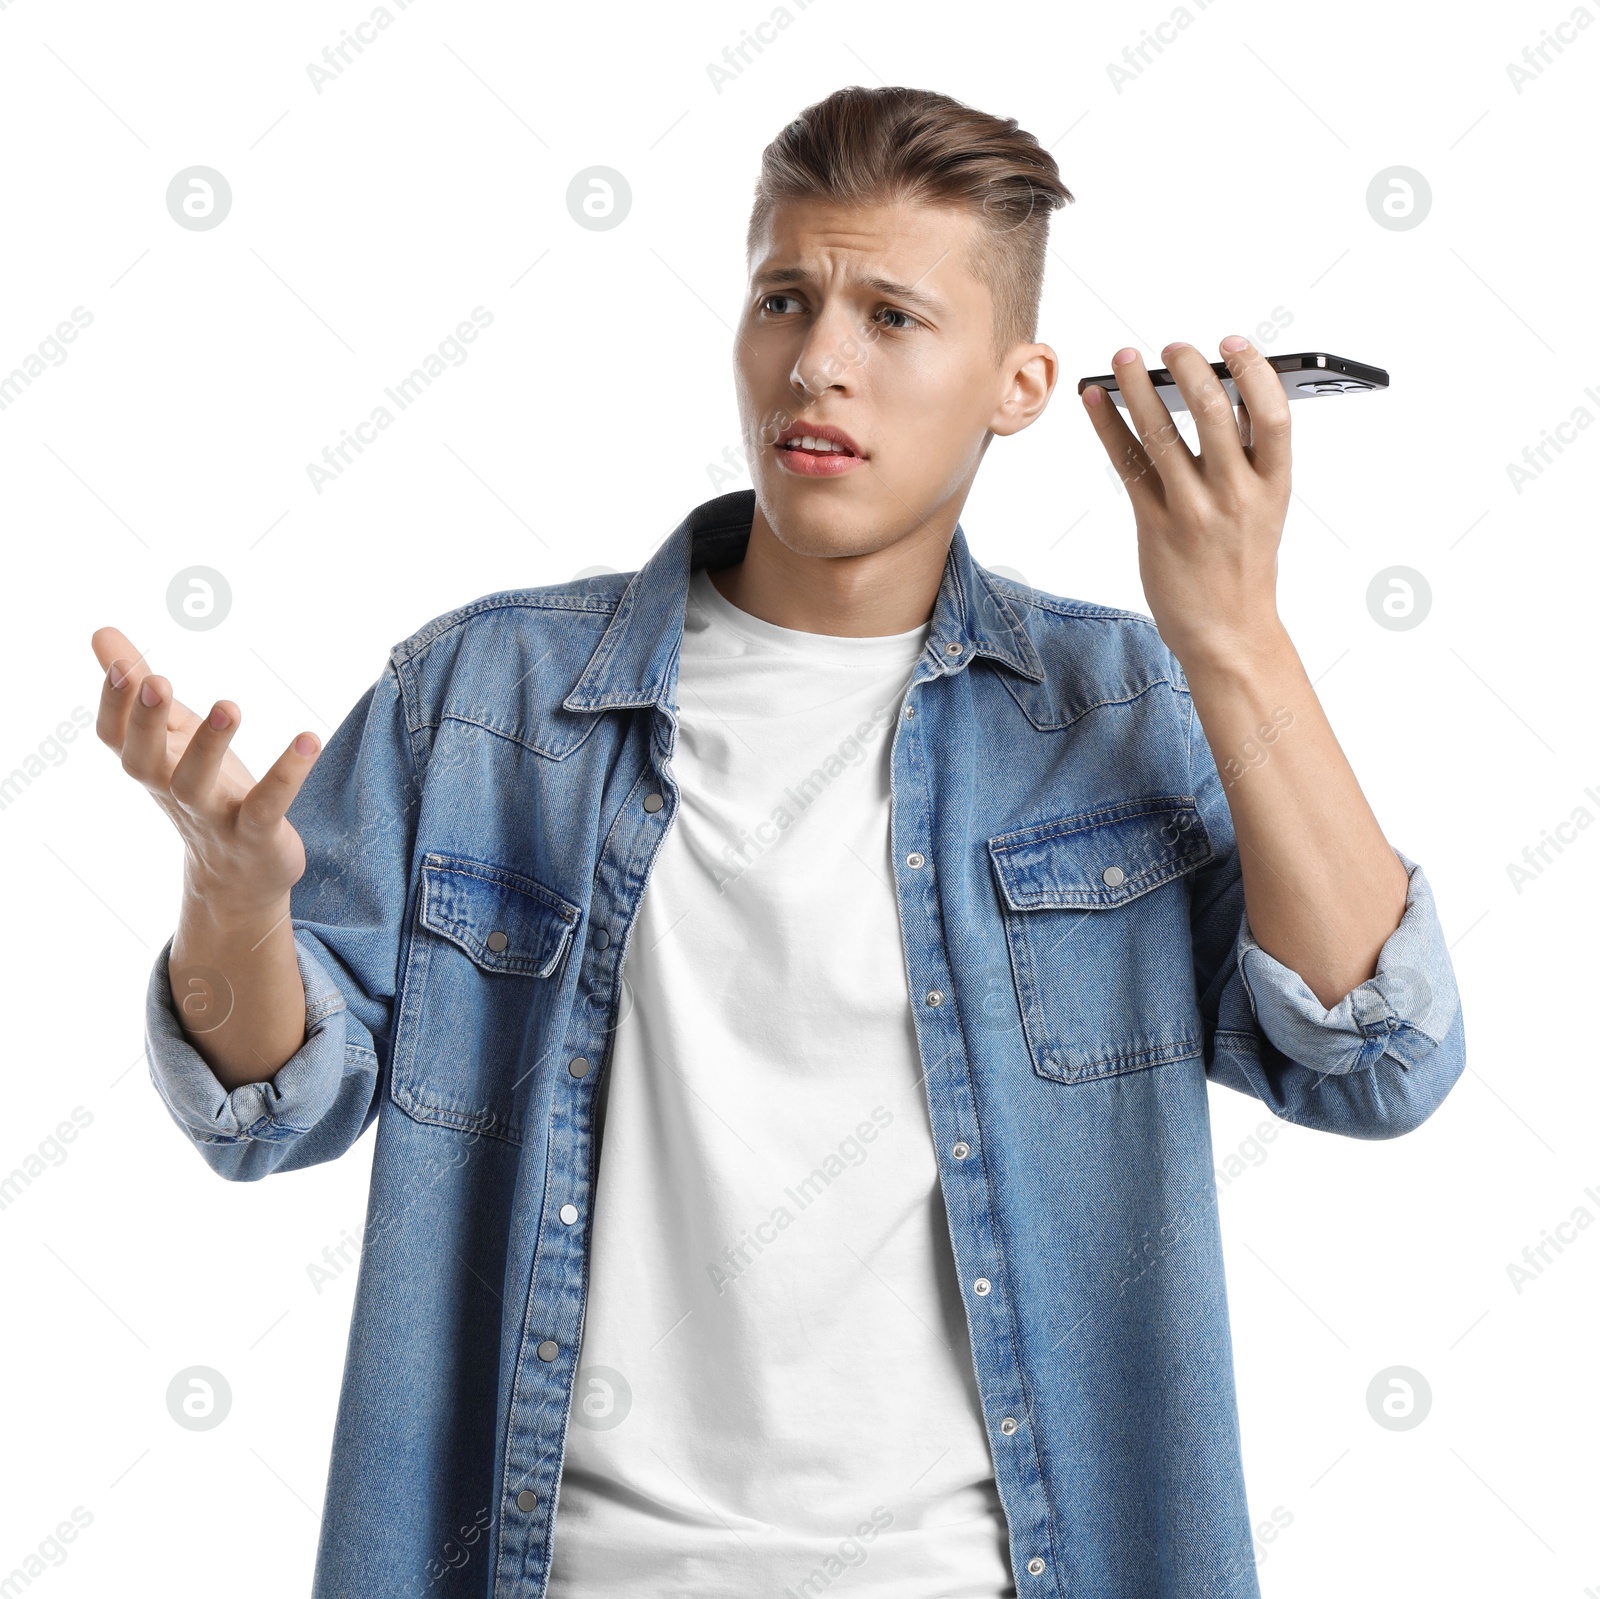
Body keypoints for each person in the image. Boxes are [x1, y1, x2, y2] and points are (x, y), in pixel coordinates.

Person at [93, 85, 1464, 1599]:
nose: (816, 362)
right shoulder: (483, 704)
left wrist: (1236, 635)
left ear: (1020, 385)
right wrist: (229, 903)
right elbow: (263, 1110)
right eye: (784, 298)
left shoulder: (1118, 710)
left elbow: (1378, 1060)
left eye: (892, 316)